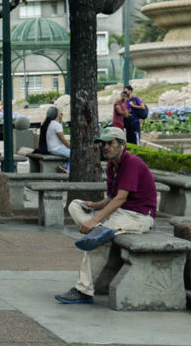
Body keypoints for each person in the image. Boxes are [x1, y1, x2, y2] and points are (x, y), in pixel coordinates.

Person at [56, 126, 157, 304]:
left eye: (110, 144)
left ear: (122, 144)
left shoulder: (131, 163)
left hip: (138, 216)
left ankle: (83, 290)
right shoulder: (112, 165)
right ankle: (99, 231)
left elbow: (120, 198)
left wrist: (95, 219)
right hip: (119, 213)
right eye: (103, 144)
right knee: (75, 205)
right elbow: (110, 198)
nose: (106, 147)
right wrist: (93, 206)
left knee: (97, 243)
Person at [39, 106, 70, 172]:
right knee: (74, 154)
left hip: (50, 148)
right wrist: (71, 147)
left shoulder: (46, 123)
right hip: (56, 149)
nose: (61, 114)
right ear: (57, 115)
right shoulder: (56, 124)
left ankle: (65, 167)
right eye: (60, 113)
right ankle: (66, 169)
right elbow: (63, 139)